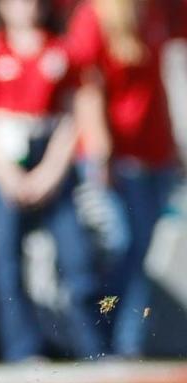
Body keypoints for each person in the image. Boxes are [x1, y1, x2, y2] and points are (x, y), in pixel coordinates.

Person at [0, 0, 105, 362]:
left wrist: (51, 170)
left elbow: (73, 112)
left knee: (77, 257)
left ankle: (93, 349)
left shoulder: (60, 49)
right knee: (8, 261)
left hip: (50, 154)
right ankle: (22, 351)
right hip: (5, 157)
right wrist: (6, 175)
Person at [67, 0, 183, 357]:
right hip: (115, 156)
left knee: (140, 253)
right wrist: (100, 148)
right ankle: (93, 331)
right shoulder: (93, 15)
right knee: (118, 244)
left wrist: (173, 147)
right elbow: (87, 85)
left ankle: (127, 344)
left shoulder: (155, 10)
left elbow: (155, 84)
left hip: (154, 154)